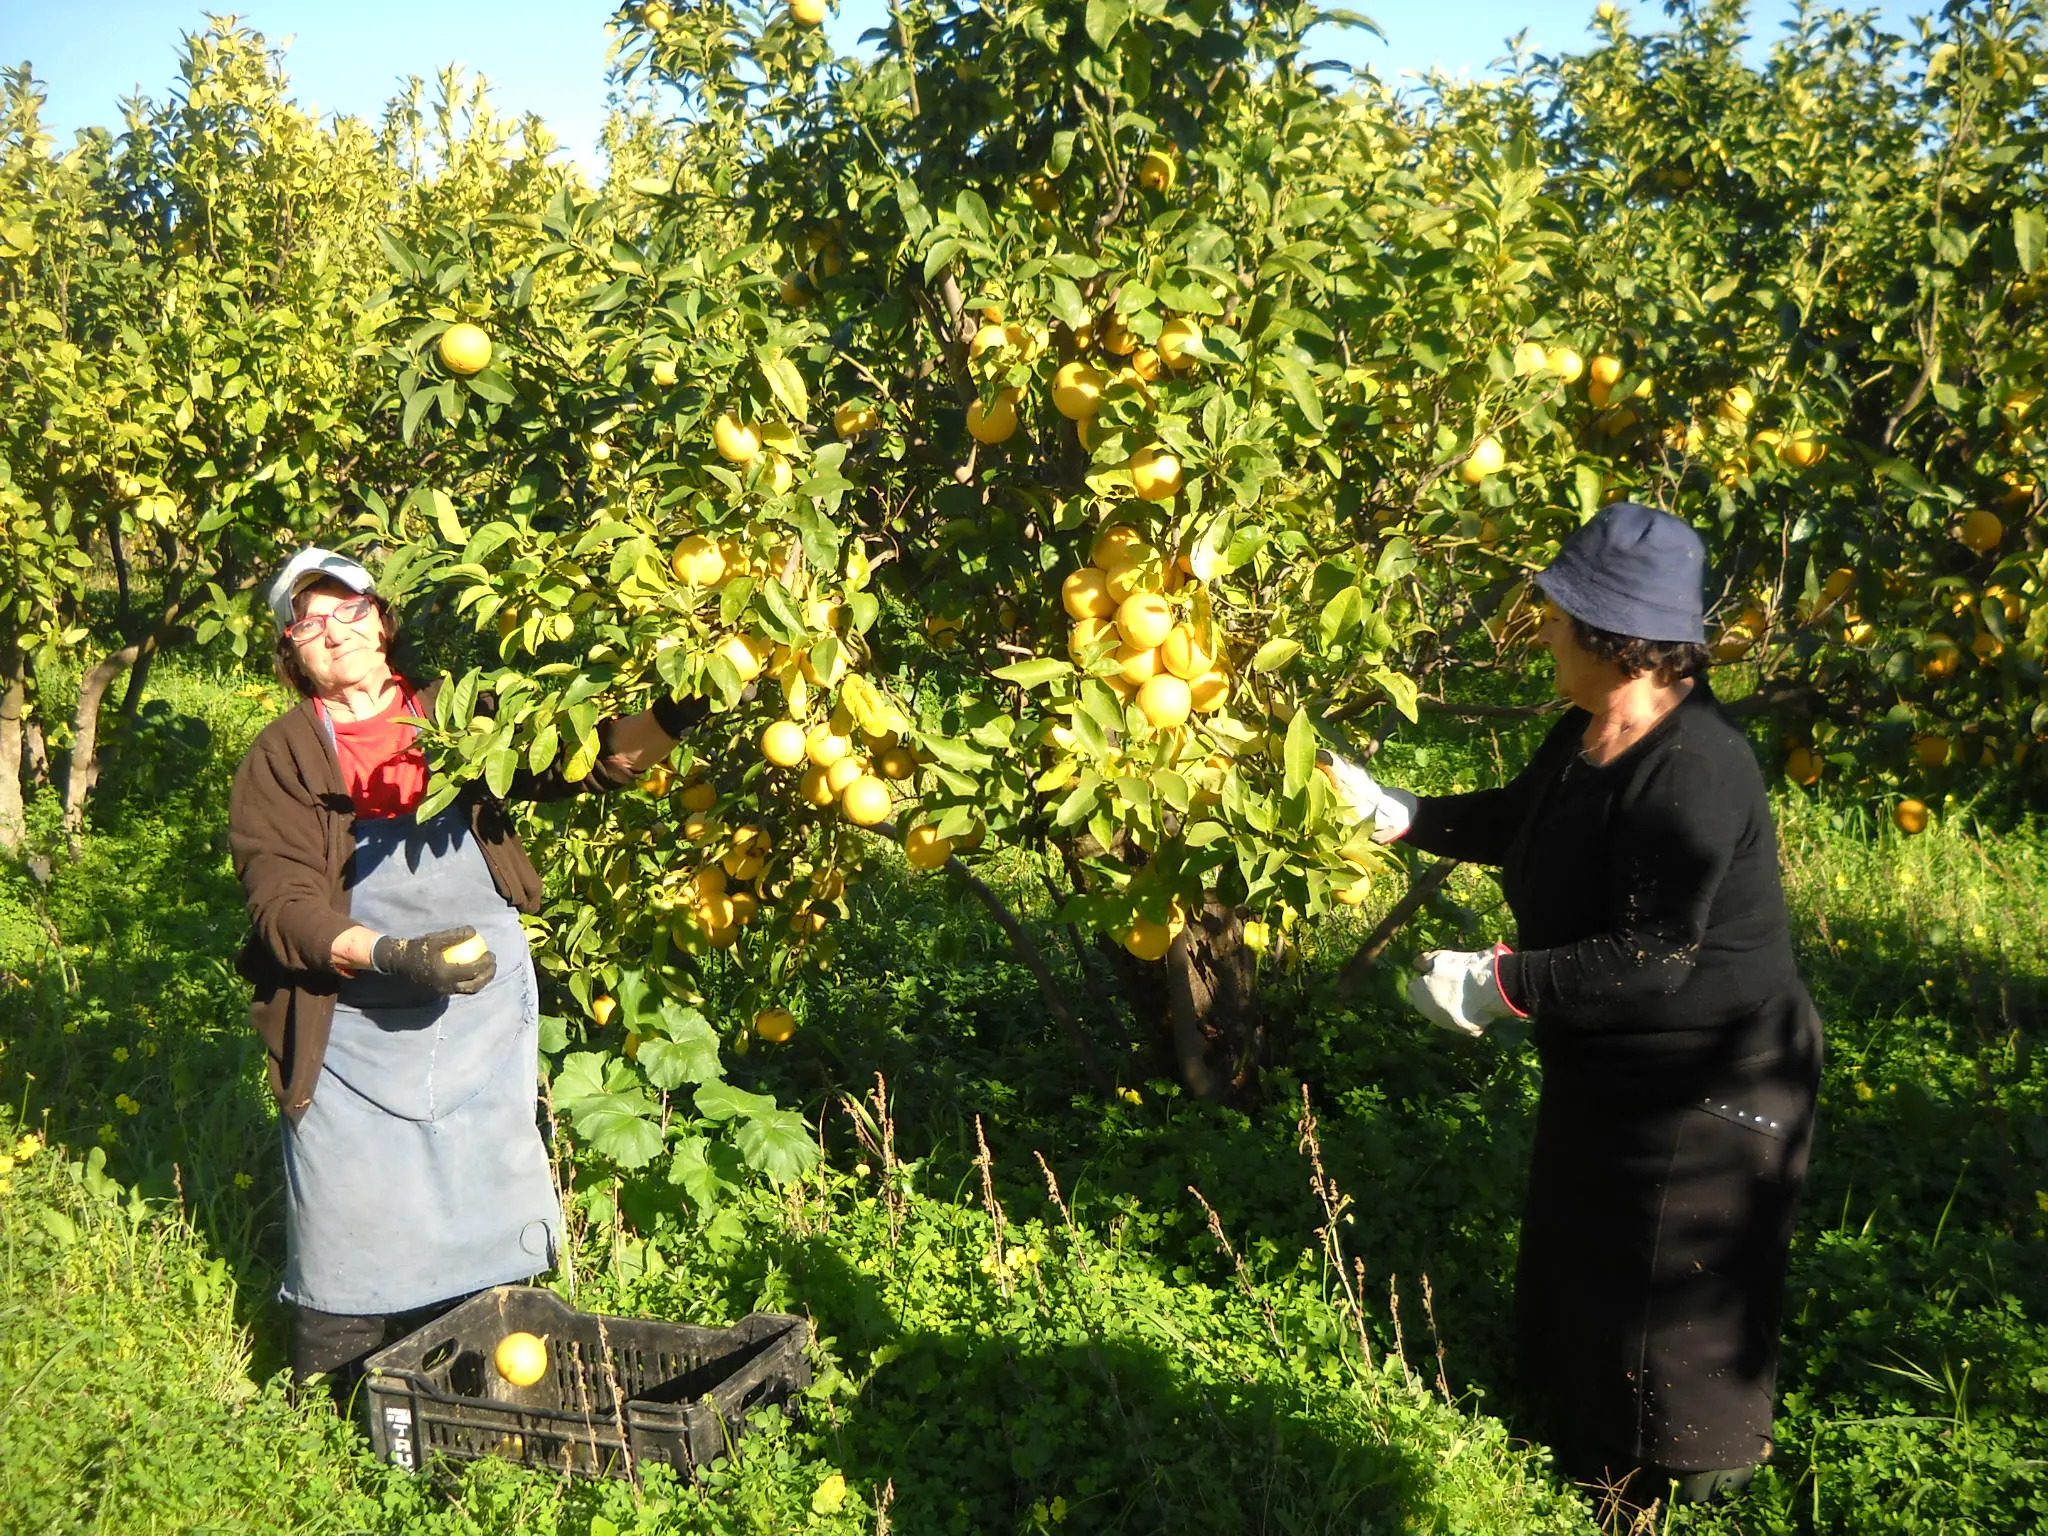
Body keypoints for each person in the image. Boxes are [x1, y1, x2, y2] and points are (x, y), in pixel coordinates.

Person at [1324, 501, 1823, 1508]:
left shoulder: (1695, 767)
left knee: (1669, 1288)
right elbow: (1522, 820)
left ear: (1613, 638)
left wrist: (1500, 983)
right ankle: (1577, 1432)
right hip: (1611, 1061)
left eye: (1556, 617)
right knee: (1585, 1252)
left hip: (1709, 1082)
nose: (1542, 631)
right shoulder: (1587, 732)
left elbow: (1655, 954)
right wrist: (1400, 816)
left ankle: (1669, 1482)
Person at [228, 547, 708, 1407]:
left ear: (381, 621)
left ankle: (481, 1392)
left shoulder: (458, 715)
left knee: (483, 1187)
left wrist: (682, 704)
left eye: (349, 609)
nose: (334, 631)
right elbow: (283, 905)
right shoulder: (282, 757)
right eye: (309, 622)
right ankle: (339, 1399)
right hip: (352, 1016)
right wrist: (391, 953)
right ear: (290, 651)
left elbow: (588, 761)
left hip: (480, 1004)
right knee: (348, 1200)